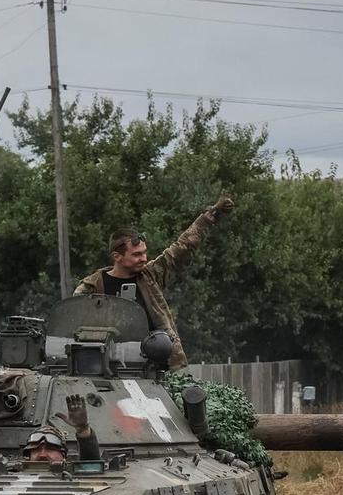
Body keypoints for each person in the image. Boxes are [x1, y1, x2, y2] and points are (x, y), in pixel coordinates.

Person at [73, 196, 235, 370]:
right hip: (105, 367)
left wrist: (208, 218)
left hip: (155, 365)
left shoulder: (150, 276)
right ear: (117, 257)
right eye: (136, 254)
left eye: (144, 253)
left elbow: (182, 248)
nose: (144, 258)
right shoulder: (90, 289)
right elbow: (73, 328)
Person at [23, 395, 100, 463]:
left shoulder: (70, 476)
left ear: (63, 455)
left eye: (50, 449)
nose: (42, 455)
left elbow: (90, 464)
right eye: (36, 450)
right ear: (28, 456)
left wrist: (83, 429)